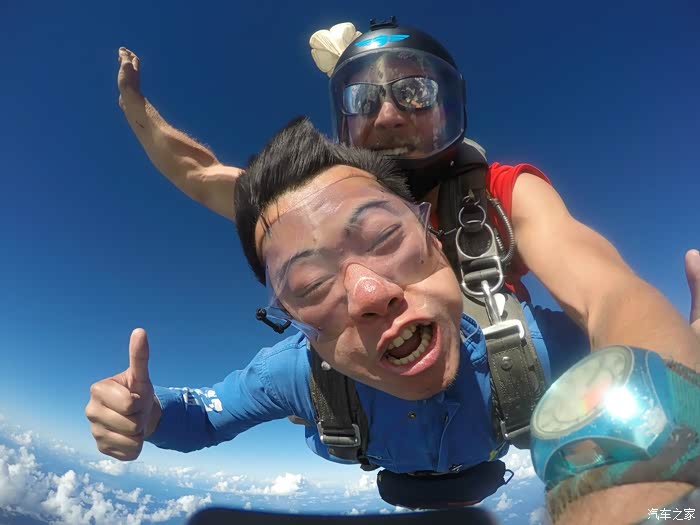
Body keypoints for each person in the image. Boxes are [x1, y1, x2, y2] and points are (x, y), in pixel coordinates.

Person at [86, 118, 700, 524]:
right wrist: (148, 413)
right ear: (294, 321)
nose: (369, 294)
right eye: (310, 286)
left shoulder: (526, 346)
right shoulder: (296, 373)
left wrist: (677, 403)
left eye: (384, 238)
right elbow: (203, 416)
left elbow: (622, 317)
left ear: (438, 242)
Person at [114, 21, 700, 343]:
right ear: (343, 122)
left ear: (450, 104)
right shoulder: (311, 203)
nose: (389, 115)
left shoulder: (501, 193)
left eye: (415, 92)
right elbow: (199, 174)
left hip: (493, 367)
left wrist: (667, 373)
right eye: (363, 100)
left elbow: (605, 291)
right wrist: (136, 109)